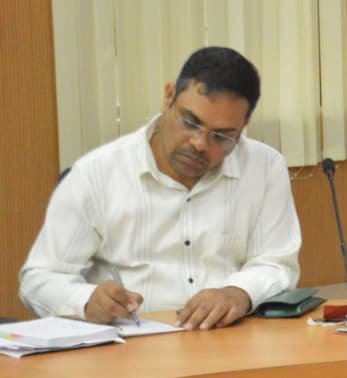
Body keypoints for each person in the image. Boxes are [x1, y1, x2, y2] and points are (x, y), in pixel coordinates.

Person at [20, 47, 301, 330]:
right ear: (168, 97)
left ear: (243, 125)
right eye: (190, 122)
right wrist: (86, 301)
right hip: (129, 343)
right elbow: (40, 278)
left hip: (229, 337)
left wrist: (238, 293)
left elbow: (276, 262)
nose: (200, 144)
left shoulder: (265, 167)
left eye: (221, 136)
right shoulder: (96, 175)